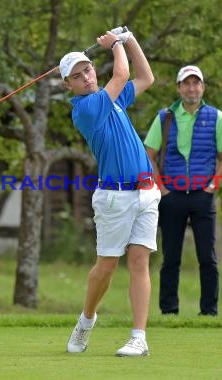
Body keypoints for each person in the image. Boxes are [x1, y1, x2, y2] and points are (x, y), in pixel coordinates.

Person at [61, 28, 160, 357]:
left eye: (88, 69)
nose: (86, 77)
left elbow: (146, 77)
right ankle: (86, 320)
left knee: (139, 261)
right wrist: (115, 44)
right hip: (113, 197)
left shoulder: (113, 99)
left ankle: (139, 337)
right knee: (106, 267)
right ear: (69, 86)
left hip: (146, 192)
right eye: (77, 75)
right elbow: (123, 71)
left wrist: (130, 39)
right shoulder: (86, 109)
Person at [144, 65, 222, 316]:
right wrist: (161, 188)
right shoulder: (165, 117)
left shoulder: (217, 117)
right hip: (171, 196)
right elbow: (149, 155)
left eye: (196, 83)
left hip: (201, 197)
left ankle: (209, 312)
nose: (191, 88)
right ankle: (169, 311)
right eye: (187, 83)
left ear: (202, 87)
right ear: (179, 88)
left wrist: (212, 187)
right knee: (171, 259)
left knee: (207, 257)